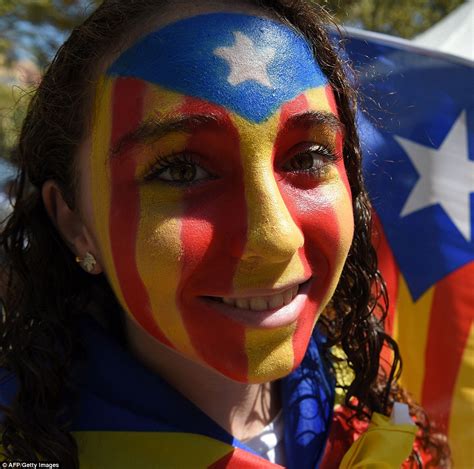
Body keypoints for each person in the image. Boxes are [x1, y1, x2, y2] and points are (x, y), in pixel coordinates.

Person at [0, 0, 450, 467]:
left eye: (308, 157)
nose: (275, 238)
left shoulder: (372, 408)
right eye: (181, 170)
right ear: (74, 223)